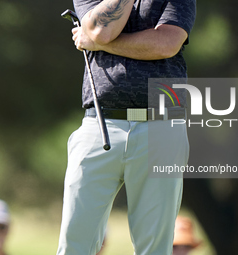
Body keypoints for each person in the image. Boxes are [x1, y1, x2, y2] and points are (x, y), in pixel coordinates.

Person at [56, 0, 196, 254]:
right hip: (99, 124)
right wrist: (100, 39)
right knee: (74, 241)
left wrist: (98, 45)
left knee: (154, 246)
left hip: (162, 125)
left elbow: (166, 44)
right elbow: (102, 30)